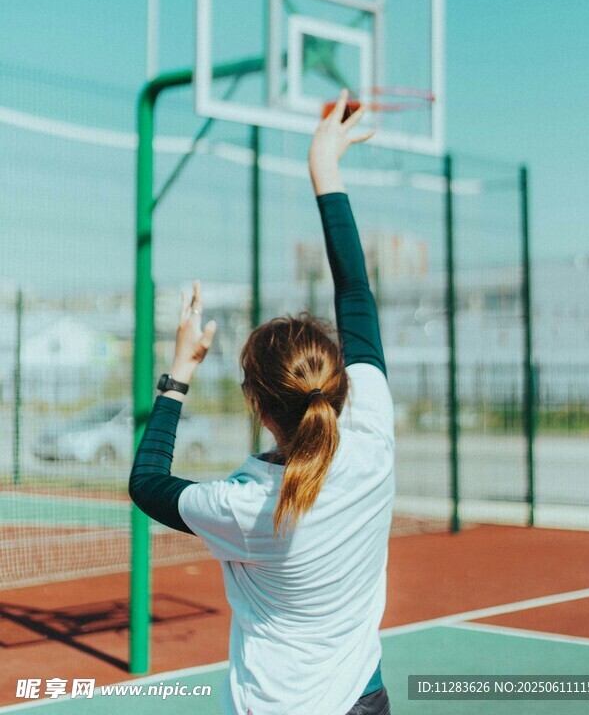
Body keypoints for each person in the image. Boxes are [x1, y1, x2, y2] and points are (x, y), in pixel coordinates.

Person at [129, 89, 394, 715]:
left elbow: (146, 483)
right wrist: (324, 166)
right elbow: (355, 292)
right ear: (337, 381)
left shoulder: (244, 508)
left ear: (258, 406)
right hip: (365, 700)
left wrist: (179, 371)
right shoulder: (372, 438)